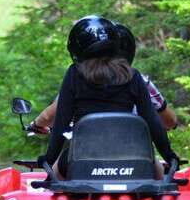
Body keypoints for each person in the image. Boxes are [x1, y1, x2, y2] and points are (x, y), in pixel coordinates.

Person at [39, 16, 179, 179]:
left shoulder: (74, 74)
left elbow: (61, 122)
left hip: (83, 157)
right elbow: (152, 121)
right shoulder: (133, 76)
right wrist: (169, 155)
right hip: (133, 156)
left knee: (54, 182)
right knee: (159, 180)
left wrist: (49, 159)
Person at [29, 20, 178, 132]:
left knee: (55, 171)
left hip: (86, 153)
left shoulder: (79, 79)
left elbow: (50, 116)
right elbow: (170, 122)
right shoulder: (140, 81)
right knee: (157, 170)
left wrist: (36, 125)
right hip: (134, 153)